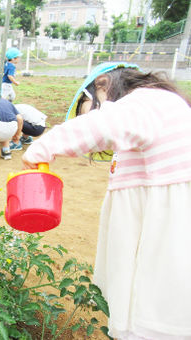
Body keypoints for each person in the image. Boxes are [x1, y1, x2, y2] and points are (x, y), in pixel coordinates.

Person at [22, 62, 191, 340]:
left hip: (166, 233)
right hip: (157, 224)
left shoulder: (145, 103)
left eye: (87, 111)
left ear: (102, 86)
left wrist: (45, 145)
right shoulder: (156, 109)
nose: (85, 119)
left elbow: (103, 125)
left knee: (155, 309)